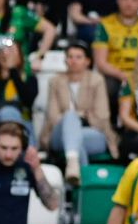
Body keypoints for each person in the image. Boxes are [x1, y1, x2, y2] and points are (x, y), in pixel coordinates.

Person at [38, 42, 117, 184]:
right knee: (70, 118)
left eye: (78, 57)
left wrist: (74, 118)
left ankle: (74, 168)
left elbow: (102, 118)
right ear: (65, 60)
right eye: (70, 56)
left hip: (93, 133)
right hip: (59, 134)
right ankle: (83, 183)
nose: (73, 61)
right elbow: (54, 118)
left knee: (74, 137)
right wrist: (82, 115)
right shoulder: (55, 81)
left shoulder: (97, 80)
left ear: (88, 61)